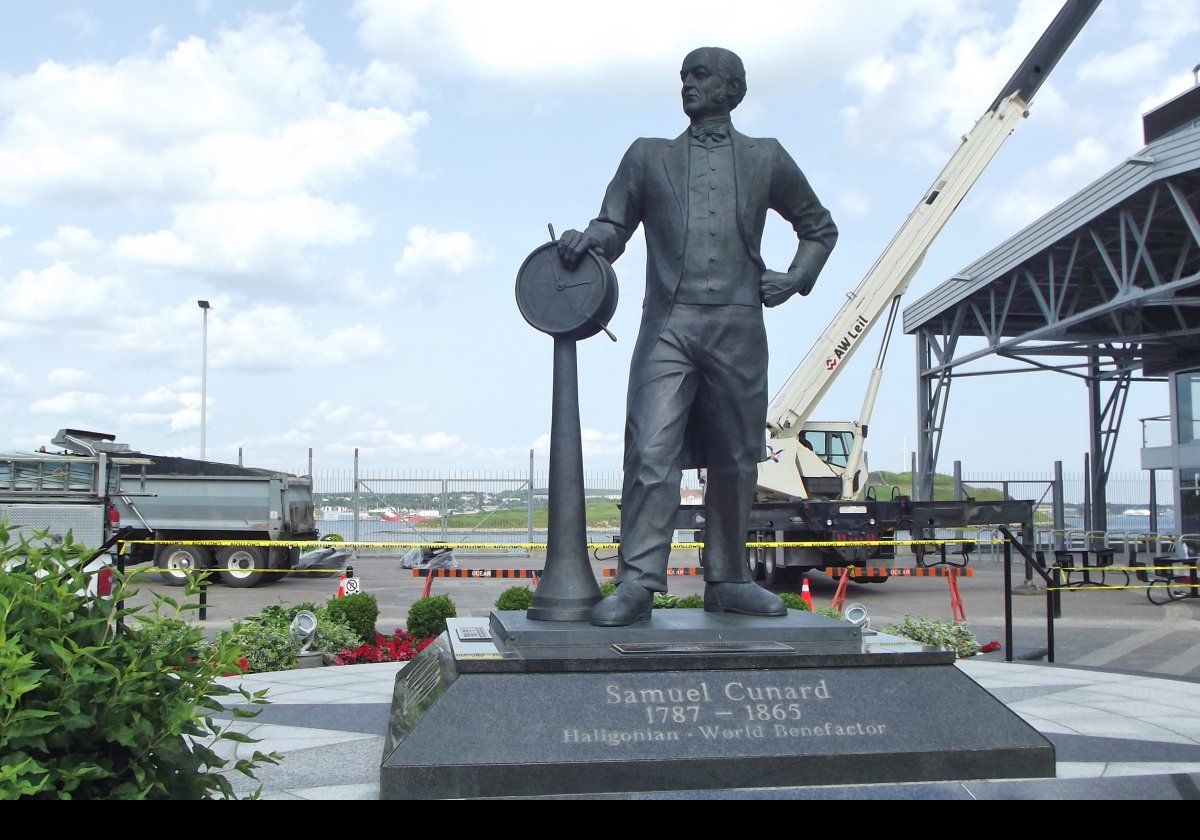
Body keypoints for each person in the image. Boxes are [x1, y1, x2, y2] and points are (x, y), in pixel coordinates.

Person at [558, 47, 838, 626]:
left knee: (738, 457)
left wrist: (797, 278)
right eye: (684, 75)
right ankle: (637, 581)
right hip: (669, 325)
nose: (687, 84)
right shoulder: (647, 156)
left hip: (739, 324)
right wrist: (590, 240)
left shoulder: (767, 157)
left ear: (733, 89)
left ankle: (729, 578)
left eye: (701, 75)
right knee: (650, 450)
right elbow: (614, 227)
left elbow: (818, 226)